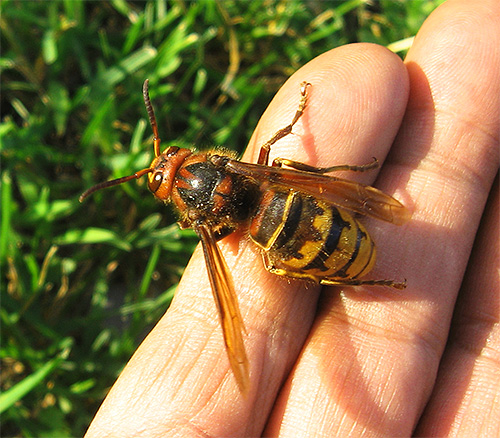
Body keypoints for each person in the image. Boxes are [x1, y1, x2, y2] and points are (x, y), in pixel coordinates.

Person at [86, 0, 499, 436]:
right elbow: (271, 164)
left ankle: (359, 275)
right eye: (164, 166)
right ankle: (358, 251)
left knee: (273, 259)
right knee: (276, 167)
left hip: (290, 235)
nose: (166, 161)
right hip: (297, 207)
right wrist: (336, 174)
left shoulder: (204, 225)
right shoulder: (234, 168)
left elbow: (199, 226)